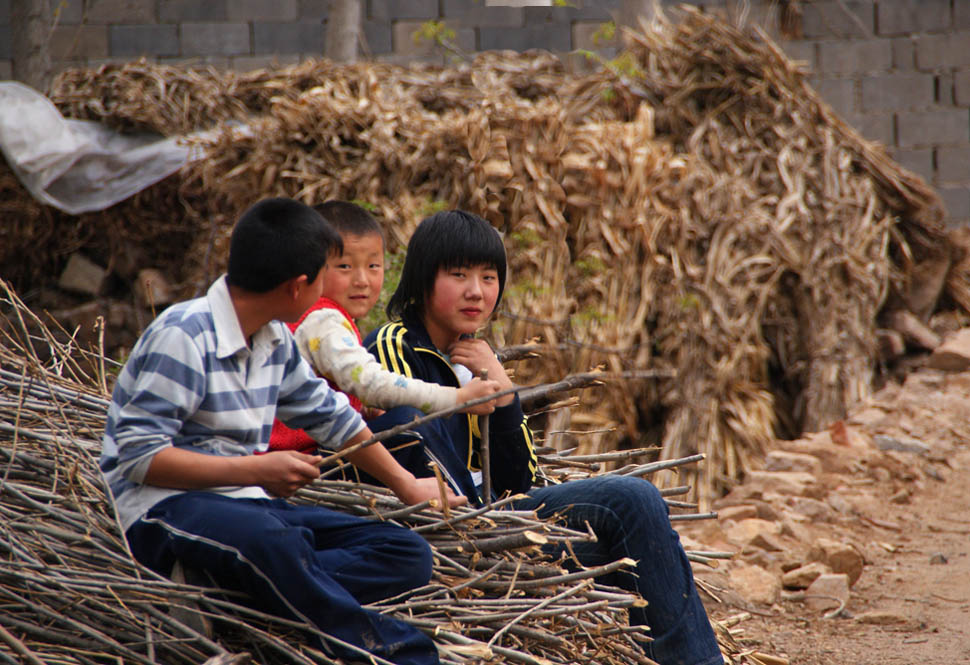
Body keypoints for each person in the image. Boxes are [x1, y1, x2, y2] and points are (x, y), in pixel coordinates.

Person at [99, 197, 464, 665]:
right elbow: (138, 458)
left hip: (250, 509)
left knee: (405, 552)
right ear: (298, 287)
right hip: (165, 509)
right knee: (277, 545)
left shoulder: (272, 340)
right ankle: (398, 651)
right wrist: (256, 468)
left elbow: (330, 414)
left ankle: (225, 593)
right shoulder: (184, 335)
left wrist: (404, 483)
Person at [364, 210, 723, 665]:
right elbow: (411, 442)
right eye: (458, 275)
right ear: (421, 280)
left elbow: (523, 479)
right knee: (632, 499)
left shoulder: (472, 356)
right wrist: (464, 399)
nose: (476, 290)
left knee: (643, 532)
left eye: (489, 277)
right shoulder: (394, 346)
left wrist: (500, 384)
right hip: (458, 529)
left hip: (498, 521)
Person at [269, 200, 500, 456]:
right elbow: (373, 384)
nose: (362, 281)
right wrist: (458, 399)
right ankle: (463, 498)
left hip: (317, 452)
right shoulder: (322, 321)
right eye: (345, 266)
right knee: (409, 422)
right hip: (304, 459)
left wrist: (360, 408)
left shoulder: (326, 319)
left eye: (373, 266)